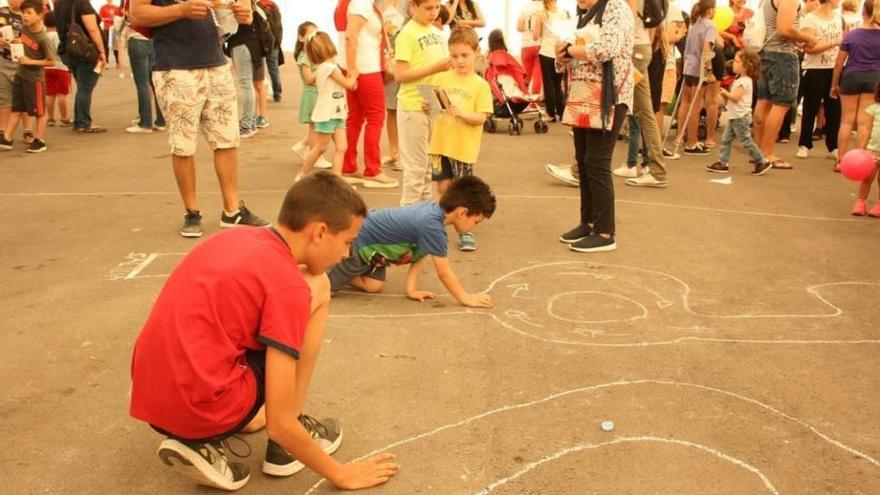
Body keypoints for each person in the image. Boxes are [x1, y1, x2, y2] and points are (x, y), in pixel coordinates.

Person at [129, 172, 400, 491]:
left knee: (262, 315)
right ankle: (272, 447)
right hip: (202, 408)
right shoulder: (287, 287)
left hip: (152, 399)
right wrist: (341, 474)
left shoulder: (235, 238)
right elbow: (280, 425)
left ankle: (203, 432)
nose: (347, 255)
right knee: (320, 288)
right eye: (347, 242)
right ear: (320, 232)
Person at [131, 0, 268, 238]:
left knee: (227, 139)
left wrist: (243, 11)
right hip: (175, 67)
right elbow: (138, 14)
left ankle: (232, 210)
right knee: (182, 144)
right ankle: (191, 211)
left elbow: (236, 7)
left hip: (216, 63)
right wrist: (181, 10)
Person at [327, 175, 495, 308]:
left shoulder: (435, 215)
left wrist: (411, 289)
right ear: (463, 212)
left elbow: (420, 253)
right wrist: (466, 298)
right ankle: (328, 267)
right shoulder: (432, 226)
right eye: (476, 221)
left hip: (374, 251)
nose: (474, 227)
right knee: (325, 290)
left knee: (373, 286)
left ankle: (338, 269)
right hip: (358, 242)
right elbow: (444, 273)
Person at [556, 0, 634, 253]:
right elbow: (575, 57)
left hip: (608, 97)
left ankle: (605, 231)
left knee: (597, 162)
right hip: (583, 94)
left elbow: (606, 49)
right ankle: (587, 222)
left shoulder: (616, 8)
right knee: (583, 159)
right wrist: (562, 55)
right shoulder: (587, 13)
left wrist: (570, 50)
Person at [427, 27, 492, 252]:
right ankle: (437, 227)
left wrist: (462, 114)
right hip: (440, 144)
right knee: (443, 187)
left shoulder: (480, 85)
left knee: (462, 192)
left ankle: (466, 232)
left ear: (477, 53)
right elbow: (433, 108)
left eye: (464, 55)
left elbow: (482, 117)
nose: (459, 60)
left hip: (463, 148)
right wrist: (429, 106)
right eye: (454, 56)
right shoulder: (441, 78)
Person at [393, 0, 452, 206]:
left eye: (437, 7)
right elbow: (399, 74)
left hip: (432, 101)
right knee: (415, 170)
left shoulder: (438, 33)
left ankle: (424, 217)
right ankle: (407, 220)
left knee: (430, 168)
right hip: (412, 105)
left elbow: (445, 74)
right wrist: (435, 68)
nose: (434, 13)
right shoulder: (407, 34)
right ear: (413, 7)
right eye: (428, 8)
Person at [338, 0, 399, 188]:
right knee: (375, 117)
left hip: (358, 65)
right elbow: (350, 36)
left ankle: (348, 166)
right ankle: (373, 170)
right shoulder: (361, 3)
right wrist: (353, 69)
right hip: (365, 67)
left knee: (355, 117)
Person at [752, 0, 817, 170]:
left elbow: (776, 27)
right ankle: (767, 153)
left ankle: (758, 151)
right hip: (782, 57)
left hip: (765, 53)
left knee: (763, 101)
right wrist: (808, 37)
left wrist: (797, 41)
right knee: (781, 104)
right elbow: (784, 29)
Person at [298, 31, 357, 180]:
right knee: (320, 147)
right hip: (328, 113)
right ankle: (303, 174)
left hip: (337, 112)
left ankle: (337, 179)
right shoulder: (329, 68)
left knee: (342, 147)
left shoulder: (327, 66)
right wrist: (355, 75)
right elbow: (349, 85)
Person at [831, 0, 880, 171]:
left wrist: (834, 84)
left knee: (846, 121)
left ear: (863, 12)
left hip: (851, 77)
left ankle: (841, 160)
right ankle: (860, 162)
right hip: (874, 79)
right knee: (864, 123)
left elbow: (839, 63)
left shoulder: (851, 35)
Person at [705, 49, 771, 174]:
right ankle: (723, 162)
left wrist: (725, 93)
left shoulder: (744, 82)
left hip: (740, 117)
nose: (733, 64)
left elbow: (736, 97)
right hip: (735, 116)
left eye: (736, 61)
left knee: (745, 140)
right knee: (726, 139)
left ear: (746, 66)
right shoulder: (740, 80)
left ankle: (761, 160)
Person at [0, 0, 52, 153]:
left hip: (34, 79)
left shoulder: (43, 37)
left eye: (29, 13)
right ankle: (7, 138)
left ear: (40, 15)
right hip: (20, 75)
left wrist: (30, 61)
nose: (25, 16)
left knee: (39, 112)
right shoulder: (24, 29)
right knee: (16, 109)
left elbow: (51, 61)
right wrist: (15, 43)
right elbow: (22, 45)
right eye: (23, 13)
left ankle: (39, 140)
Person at [795, 0, 842, 160]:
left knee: (834, 110)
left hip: (834, 68)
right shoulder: (810, 18)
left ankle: (833, 146)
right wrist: (834, 42)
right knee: (810, 108)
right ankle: (804, 144)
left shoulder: (838, 17)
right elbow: (809, 48)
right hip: (814, 69)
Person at [56, 0, 107, 133]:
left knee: (82, 87)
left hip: (68, 51)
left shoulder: (59, 4)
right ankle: (83, 123)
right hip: (85, 52)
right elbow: (92, 29)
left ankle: (79, 121)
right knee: (85, 88)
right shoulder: (82, 4)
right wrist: (101, 51)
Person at [675, 0, 716, 156]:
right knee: (695, 106)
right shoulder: (709, 25)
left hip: (688, 66)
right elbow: (706, 48)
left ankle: (680, 136)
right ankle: (692, 142)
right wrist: (709, 69)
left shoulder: (694, 24)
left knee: (685, 102)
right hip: (699, 68)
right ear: (710, 10)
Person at [291, 21, 331, 171]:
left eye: (316, 33)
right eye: (310, 34)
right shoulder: (304, 56)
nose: (314, 37)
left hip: (319, 93)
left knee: (316, 128)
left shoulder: (315, 55)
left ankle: (302, 147)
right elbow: (308, 78)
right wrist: (325, 70)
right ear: (301, 38)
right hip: (312, 95)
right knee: (316, 128)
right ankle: (316, 157)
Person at [226, 0, 266, 138]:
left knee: (246, 84)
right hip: (248, 45)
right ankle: (250, 122)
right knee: (247, 84)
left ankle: (247, 124)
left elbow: (247, 19)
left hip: (243, 44)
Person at [123, 0, 164, 133]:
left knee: (142, 84)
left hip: (137, 40)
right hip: (152, 41)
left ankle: (145, 122)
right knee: (154, 82)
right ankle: (161, 120)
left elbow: (131, 18)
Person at [533, 0, 571, 123]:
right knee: (558, 83)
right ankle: (561, 112)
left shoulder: (541, 14)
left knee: (549, 84)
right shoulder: (564, 13)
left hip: (547, 51)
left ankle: (550, 114)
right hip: (560, 51)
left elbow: (535, 36)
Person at [381, 0, 406, 171]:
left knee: (407, 107)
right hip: (387, 59)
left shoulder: (408, 3)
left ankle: (404, 154)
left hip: (407, 57)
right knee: (390, 107)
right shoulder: (376, 2)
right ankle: (393, 150)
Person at [850, 82, 880, 216]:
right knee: (867, 177)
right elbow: (866, 129)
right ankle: (861, 201)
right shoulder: (874, 109)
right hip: (872, 150)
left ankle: (879, 204)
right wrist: (862, 149)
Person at [42, 10, 72, 127]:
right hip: (60, 67)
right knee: (62, 94)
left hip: (46, 67)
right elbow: (62, 51)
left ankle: (51, 118)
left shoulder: (43, 36)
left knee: (49, 94)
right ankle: (64, 118)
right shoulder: (58, 36)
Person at [517, 0, 544, 96]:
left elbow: (518, 27)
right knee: (538, 76)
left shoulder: (525, 8)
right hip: (540, 44)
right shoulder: (545, 7)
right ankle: (534, 103)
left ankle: (520, 100)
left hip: (526, 45)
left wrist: (528, 29)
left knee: (526, 77)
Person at [259, 0, 283, 102]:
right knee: (274, 70)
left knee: (259, 69)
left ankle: (262, 91)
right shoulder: (274, 6)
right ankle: (277, 93)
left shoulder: (258, 6)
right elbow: (279, 28)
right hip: (273, 44)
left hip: (261, 43)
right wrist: (278, 42)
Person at [98, 0, 120, 67]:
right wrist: (107, 19)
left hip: (115, 28)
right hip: (106, 29)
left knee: (115, 46)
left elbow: (119, 18)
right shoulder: (103, 7)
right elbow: (100, 18)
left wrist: (115, 19)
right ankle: (106, 62)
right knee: (106, 46)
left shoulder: (116, 8)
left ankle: (117, 62)